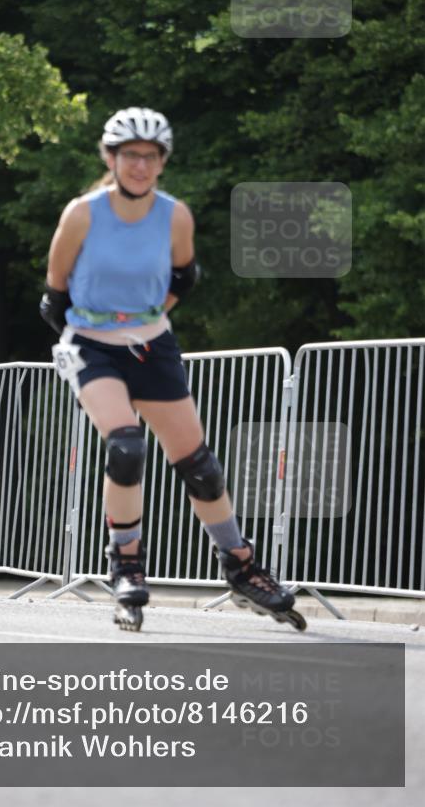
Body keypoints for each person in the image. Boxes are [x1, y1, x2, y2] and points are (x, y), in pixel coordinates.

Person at [40, 107, 305, 631]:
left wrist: (146, 319)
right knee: (126, 447)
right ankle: (127, 566)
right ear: (110, 158)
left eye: (150, 156)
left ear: (163, 162)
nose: (140, 165)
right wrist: (91, 339)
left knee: (200, 466)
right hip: (92, 347)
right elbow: (54, 295)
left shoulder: (175, 215)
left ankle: (241, 565)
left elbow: (185, 276)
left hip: (152, 346)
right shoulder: (82, 214)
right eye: (130, 155)